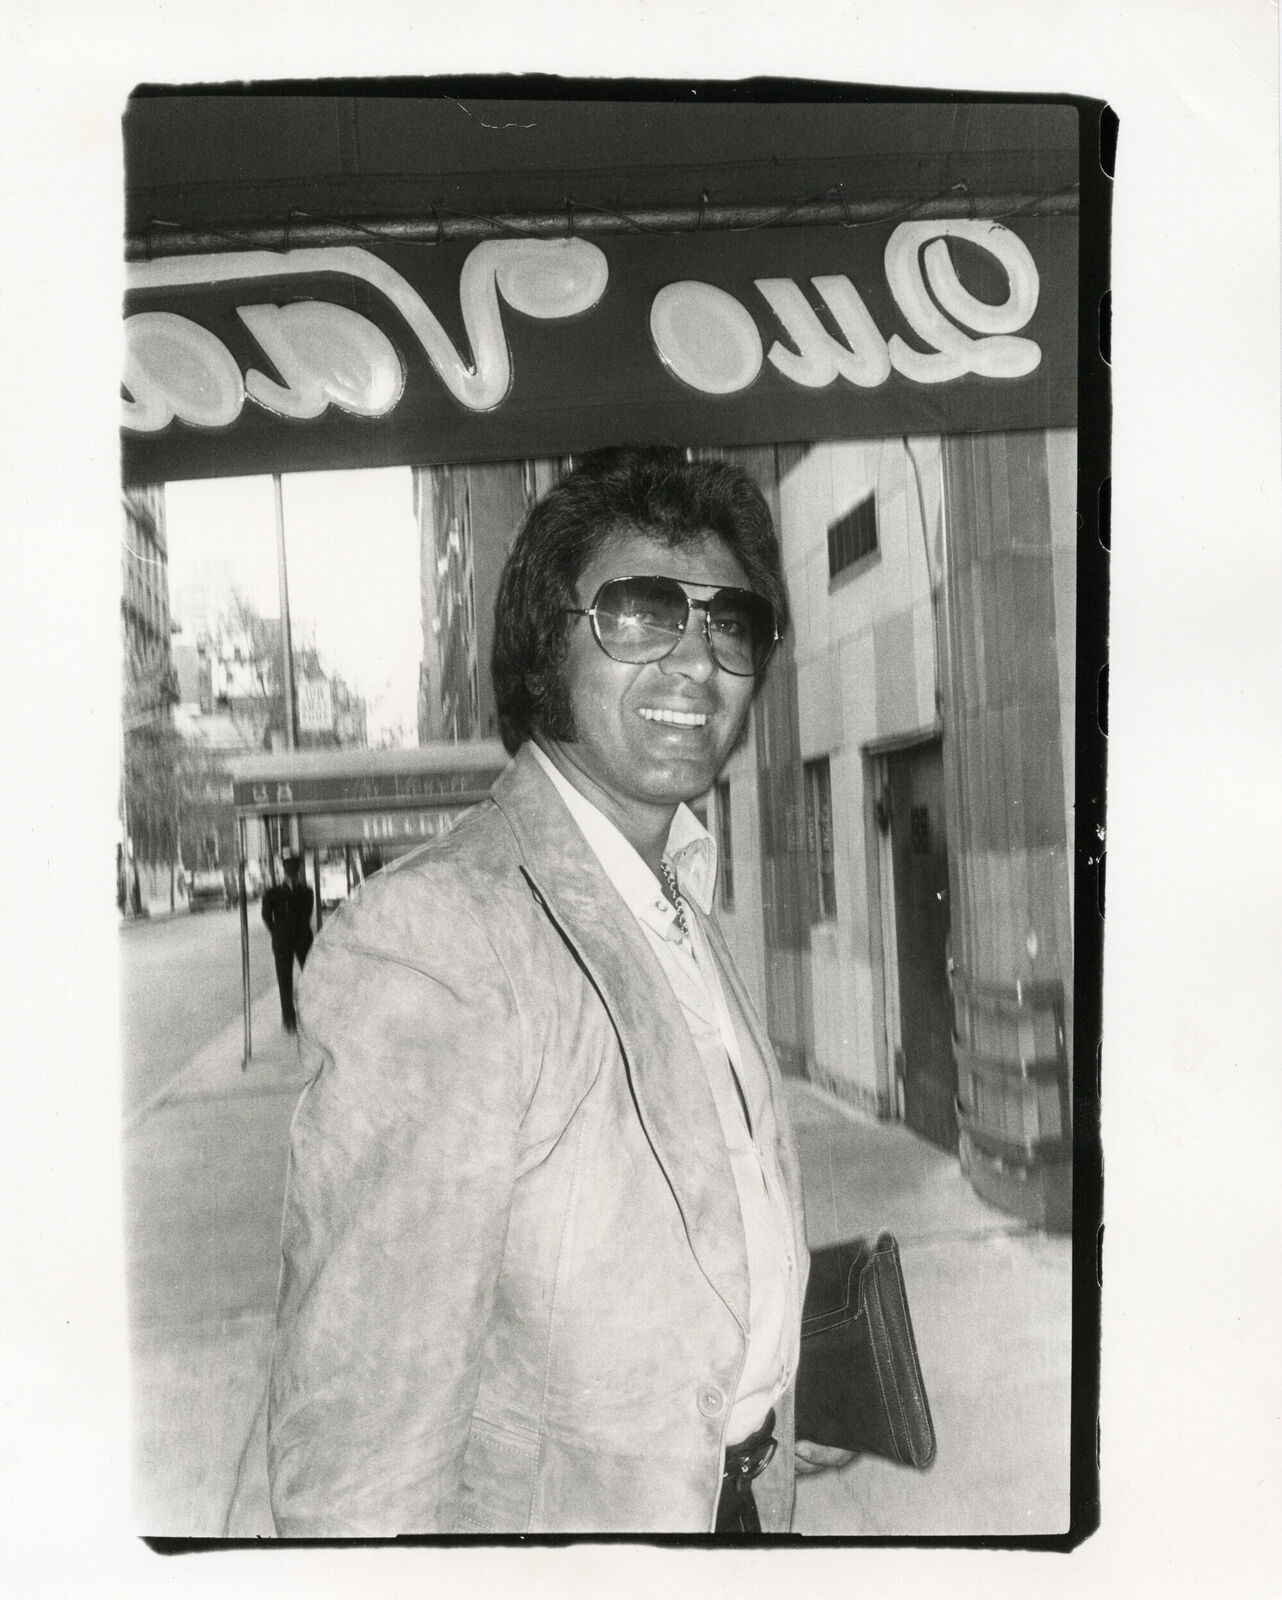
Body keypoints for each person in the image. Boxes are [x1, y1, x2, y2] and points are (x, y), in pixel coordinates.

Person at [267, 446, 851, 1536]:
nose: (696, 660)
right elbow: (359, 1459)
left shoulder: (674, 887)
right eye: (641, 613)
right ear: (548, 644)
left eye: (731, 622)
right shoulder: (444, 937)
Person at [261, 850, 314, 1034]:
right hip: (282, 942)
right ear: (284, 869)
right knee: (285, 980)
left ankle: (310, 1015)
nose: (291, 870)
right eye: (288, 867)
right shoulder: (273, 892)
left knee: (310, 977)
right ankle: (289, 1020)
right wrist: (277, 933)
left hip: (303, 940)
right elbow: (266, 916)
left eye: (294, 867)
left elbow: (306, 915)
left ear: (298, 869)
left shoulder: (307, 892)